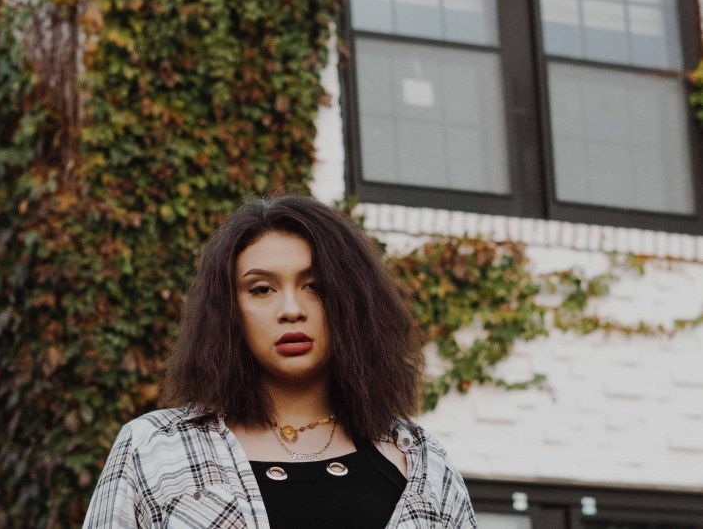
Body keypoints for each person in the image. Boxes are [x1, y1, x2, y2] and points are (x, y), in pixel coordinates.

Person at [83, 194, 477, 528]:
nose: (291, 309)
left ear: (350, 302)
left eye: (314, 286)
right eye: (261, 289)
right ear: (229, 310)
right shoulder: (155, 449)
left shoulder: (421, 460)